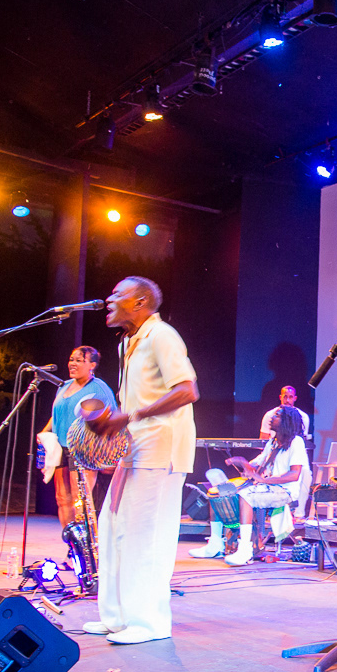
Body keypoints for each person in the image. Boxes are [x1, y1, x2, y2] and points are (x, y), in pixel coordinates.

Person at [82, 276, 198, 645]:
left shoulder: (161, 335)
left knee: (145, 535)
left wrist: (130, 416)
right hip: (136, 447)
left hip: (161, 447)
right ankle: (117, 617)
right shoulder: (128, 342)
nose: (109, 299)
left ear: (140, 301)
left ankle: (149, 623)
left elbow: (187, 390)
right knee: (113, 525)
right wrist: (112, 426)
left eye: (118, 294)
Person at [191, 405, 310, 566]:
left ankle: (245, 549)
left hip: (285, 491)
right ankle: (215, 543)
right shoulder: (273, 442)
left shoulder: (296, 442)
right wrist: (242, 462)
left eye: (277, 415)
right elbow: (257, 466)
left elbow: (294, 475)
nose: (272, 417)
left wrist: (263, 480)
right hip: (268, 487)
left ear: (286, 421)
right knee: (218, 492)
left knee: (245, 495)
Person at [37, 346, 117, 530]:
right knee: (61, 498)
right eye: (71, 359)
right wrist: (44, 431)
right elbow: (57, 413)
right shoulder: (64, 386)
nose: (72, 364)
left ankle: (87, 544)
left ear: (92, 365)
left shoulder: (98, 388)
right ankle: (71, 543)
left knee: (80, 499)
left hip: (83, 448)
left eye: (79, 360)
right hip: (61, 447)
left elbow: (111, 417)